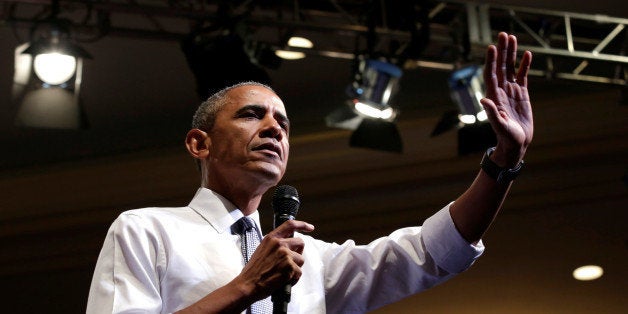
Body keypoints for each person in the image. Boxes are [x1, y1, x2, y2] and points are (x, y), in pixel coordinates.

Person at [87, 32, 533, 313]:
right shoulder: (146, 230)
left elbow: (433, 252)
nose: (272, 129)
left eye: (282, 123)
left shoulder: (311, 262)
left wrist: (504, 159)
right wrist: (245, 287)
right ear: (199, 143)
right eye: (251, 115)